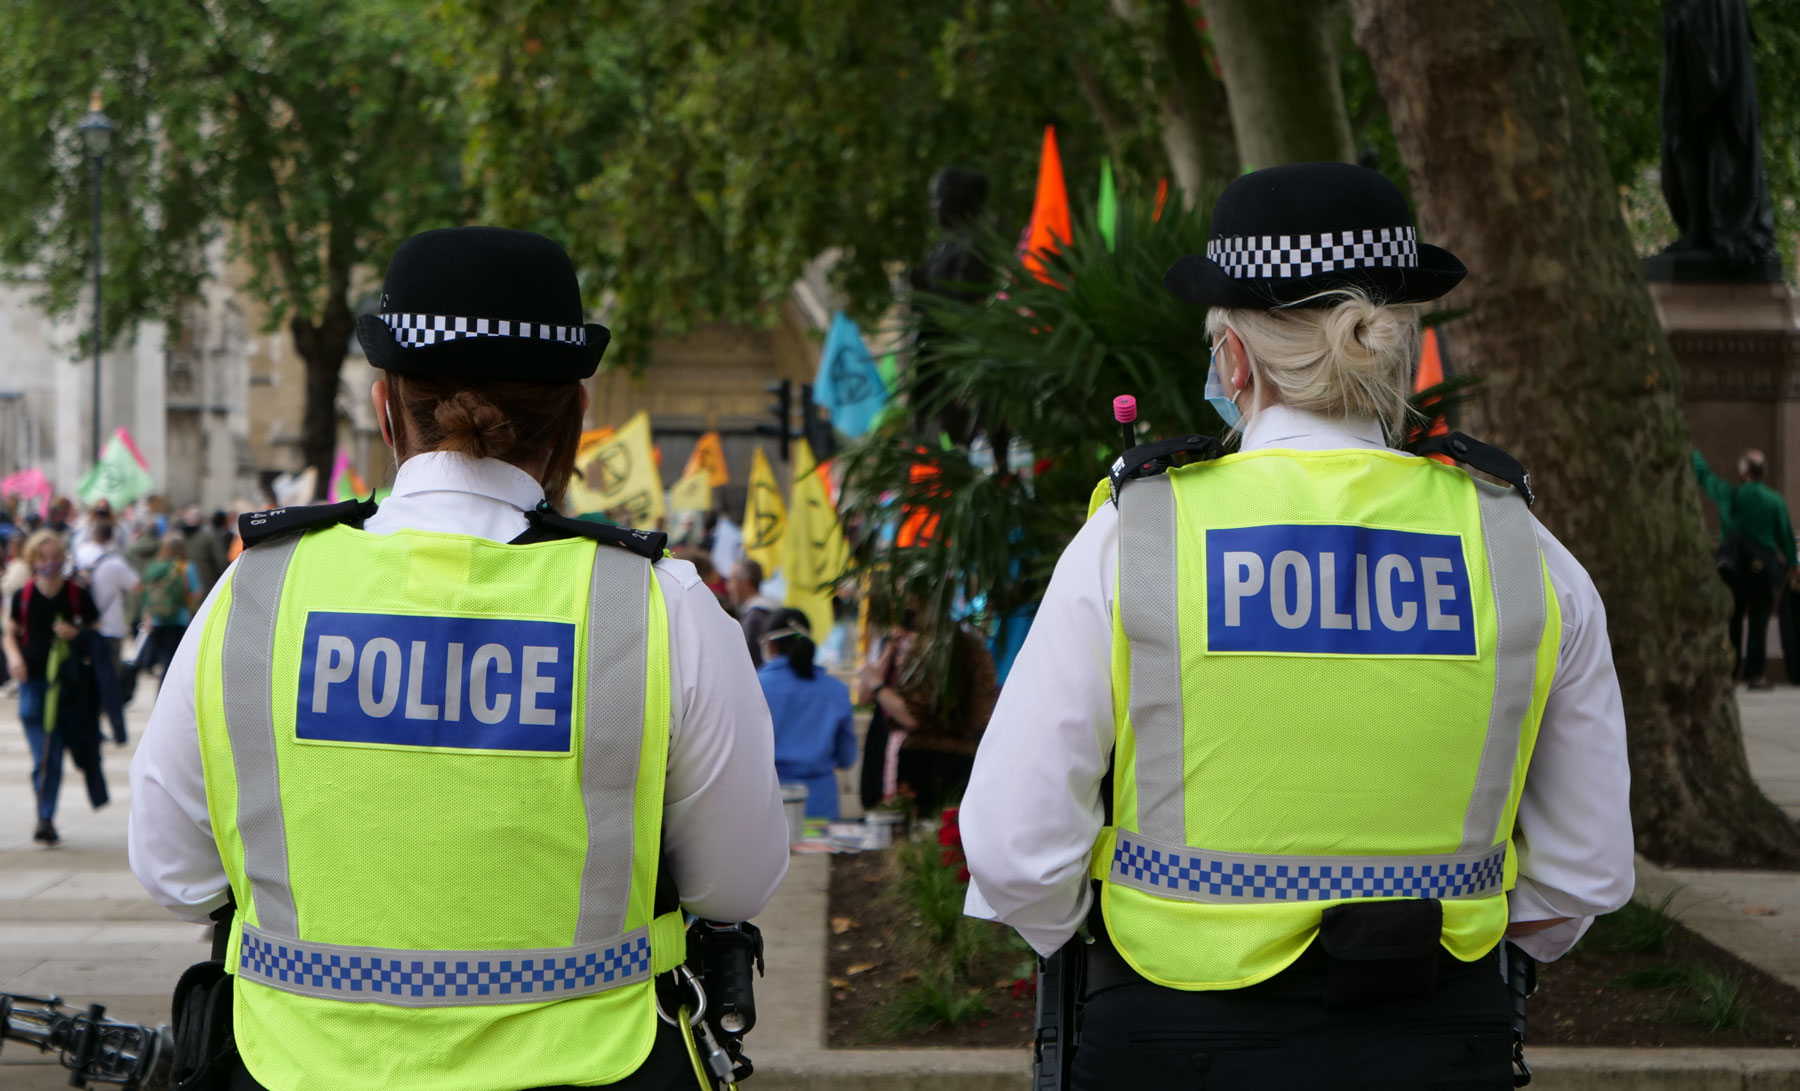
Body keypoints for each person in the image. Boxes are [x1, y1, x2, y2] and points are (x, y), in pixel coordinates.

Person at [959, 163, 1635, 1090]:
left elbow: (1012, 843)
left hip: (1170, 1039)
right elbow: (1585, 871)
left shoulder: (1139, 534)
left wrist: (1103, 937)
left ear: (1233, 358)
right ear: (1399, 346)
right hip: (1439, 1036)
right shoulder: (1522, 546)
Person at [128, 226, 789, 1091]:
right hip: (599, 1069)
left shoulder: (254, 590)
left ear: (384, 406)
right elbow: (735, 884)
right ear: (578, 419)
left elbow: (174, 871)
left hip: (290, 1067)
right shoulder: (659, 605)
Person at [3, 529, 102, 845]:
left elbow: (97, 630)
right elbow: (10, 632)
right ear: (33, 560)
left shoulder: (76, 594)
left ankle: (45, 816)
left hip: (67, 688)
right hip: (32, 684)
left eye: (55, 557)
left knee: (54, 754)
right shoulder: (25, 595)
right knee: (43, 756)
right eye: (42, 558)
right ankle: (44, 816)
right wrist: (14, 657)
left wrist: (76, 632)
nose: (49, 564)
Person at [856, 612, 996, 816]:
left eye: (909, 634)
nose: (904, 640)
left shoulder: (933, 659)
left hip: (928, 756)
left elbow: (911, 718)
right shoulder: (895, 653)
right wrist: (888, 652)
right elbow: (863, 697)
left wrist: (878, 685)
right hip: (891, 745)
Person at [1694, 447, 1798, 688]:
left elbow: (1705, 477)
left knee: (1733, 621)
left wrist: (1693, 452)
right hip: (1763, 571)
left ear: (1743, 472)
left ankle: (1730, 673)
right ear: (1763, 472)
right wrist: (1793, 564)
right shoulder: (1774, 501)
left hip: (1734, 569)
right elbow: (1785, 535)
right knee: (1759, 622)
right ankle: (1755, 674)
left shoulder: (1730, 495)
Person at [756, 608, 856, 819]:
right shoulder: (836, 690)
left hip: (767, 804)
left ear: (770, 645)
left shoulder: (753, 686)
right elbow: (847, 758)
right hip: (821, 805)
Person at [84, 520, 139, 743]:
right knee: (109, 682)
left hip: (83, 629)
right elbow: (136, 584)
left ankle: (90, 726)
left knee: (87, 681)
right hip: (110, 627)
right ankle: (117, 731)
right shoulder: (115, 562)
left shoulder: (80, 554)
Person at [132, 534, 200, 685]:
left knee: (165, 661)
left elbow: (145, 593)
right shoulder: (186, 567)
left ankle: (160, 697)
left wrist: (147, 616)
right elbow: (196, 592)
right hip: (180, 618)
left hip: (157, 619)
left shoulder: (154, 567)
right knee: (178, 663)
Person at [728, 558, 781, 667]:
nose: (728, 587)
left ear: (746, 584)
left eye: (732, 581)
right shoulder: (775, 610)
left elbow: (748, 663)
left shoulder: (753, 619)